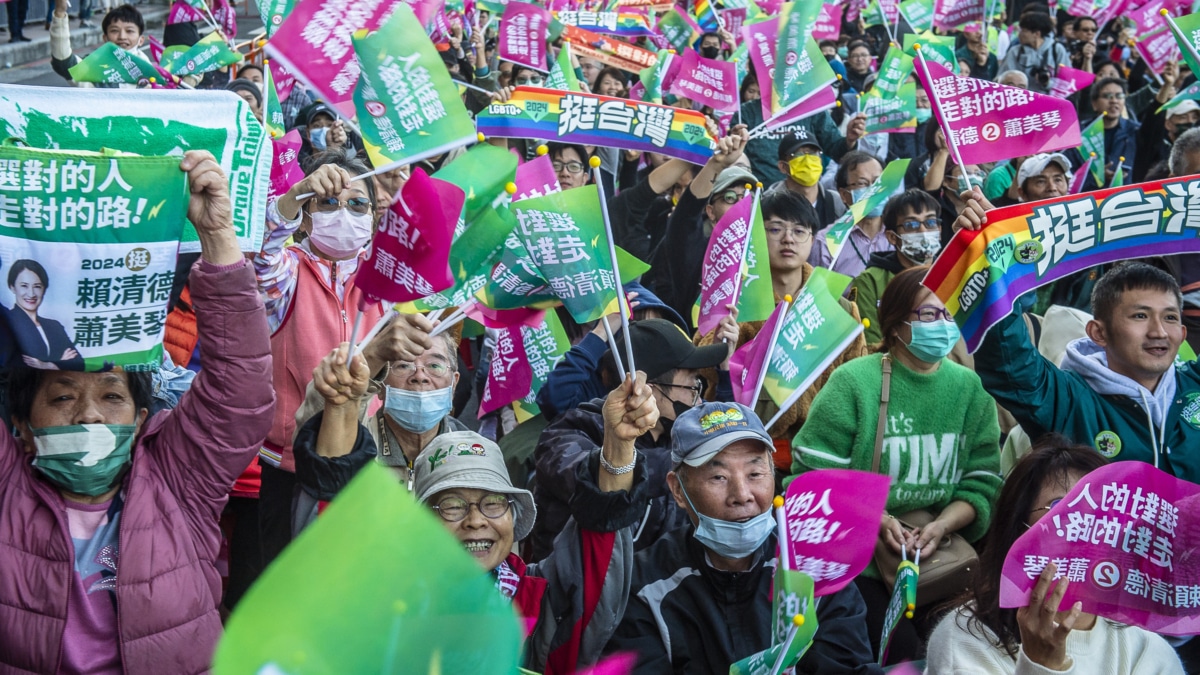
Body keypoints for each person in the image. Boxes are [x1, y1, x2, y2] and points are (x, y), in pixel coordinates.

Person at [0, 151, 276, 672]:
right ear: (22, 427)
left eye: (111, 396)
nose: (90, 416)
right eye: (61, 398)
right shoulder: (6, 486)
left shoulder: (179, 482)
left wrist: (217, 237)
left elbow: (240, 393)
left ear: (143, 419)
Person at [294, 342, 655, 674]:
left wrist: (619, 444)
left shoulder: (538, 602)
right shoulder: (377, 597)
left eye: (494, 503)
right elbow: (331, 529)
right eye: (452, 505)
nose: (476, 520)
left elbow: (599, 544)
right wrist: (342, 406)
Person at [791, 266, 1002, 664]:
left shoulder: (968, 387)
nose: (941, 325)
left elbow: (984, 478)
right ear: (897, 322)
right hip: (861, 563)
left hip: (941, 560)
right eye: (928, 315)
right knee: (898, 656)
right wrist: (877, 518)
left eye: (949, 314)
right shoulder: (854, 382)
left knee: (963, 656)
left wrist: (942, 525)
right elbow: (812, 476)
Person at [606, 402, 881, 674]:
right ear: (678, 490)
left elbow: (848, 665)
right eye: (718, 477)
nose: (742, 495)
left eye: (755, 474)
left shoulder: (815, 566)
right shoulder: (646, 587)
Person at [954, 191, 1200, 482]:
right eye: (1140, 316)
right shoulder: (1067, 400)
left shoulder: (1193, 383)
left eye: (1170, 317)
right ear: (1099, 332)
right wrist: (999, 257)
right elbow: (1009, 362)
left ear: (1183, 333)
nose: (1159, 331)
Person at [924, 437, 1185, 674]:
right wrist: (1042, 665)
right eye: (1060, 507)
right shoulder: (963, 638)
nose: (1084, 527)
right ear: (1018, 530)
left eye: (1102, 511)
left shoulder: (1142, 647)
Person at [253, 154, 387, 565]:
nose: (344, 213)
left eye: (357, 204)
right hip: (289, 465)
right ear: (305, 217)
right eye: (327, 202)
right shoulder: (288, 271)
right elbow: (259, 262)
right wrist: (294, 194)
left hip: (366, 456)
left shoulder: (385, 275)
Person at [694, 190, 869, 469]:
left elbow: (857, 381)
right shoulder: (736, 300)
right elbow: (701, 369)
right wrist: (721, 346)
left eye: (799, 231)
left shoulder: (838, 308)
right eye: (775, 229)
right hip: (744, 449)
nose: (788, 239)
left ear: (812, 239)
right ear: (757, 238)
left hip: (817, 453)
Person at [530, 318, 728, 561]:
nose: (698, 400)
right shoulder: (569, 434)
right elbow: (594, 481)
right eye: (691, 386)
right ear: (649, 389)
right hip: (578, 594)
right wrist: (692, 461)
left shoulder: (674, 436)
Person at [291, 316, 467, 526]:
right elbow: (322, 421)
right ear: (380, 382)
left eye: (435, 366)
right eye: (403, 365)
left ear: (454, 383)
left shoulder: (474, 453)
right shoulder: (352, 443)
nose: (420, 376)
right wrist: (372, 354)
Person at [648, 127, 753, 327]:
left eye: (748, 198)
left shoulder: (768, 253)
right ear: (711, 212)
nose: (741, 204)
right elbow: (685, 217)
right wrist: (716, 165)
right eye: (730, 198)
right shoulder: (697, 253)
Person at [850, 190, 943, 344]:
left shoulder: (951, 273)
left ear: (939, 230)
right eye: (911, 225)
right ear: (892, 237)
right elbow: (869, 342)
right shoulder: (870, 281)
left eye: (930, 222)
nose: (923, 231)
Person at [808, 151, 892, 280]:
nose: (873, 190)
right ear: (844, 195)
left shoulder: (899, 232)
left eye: (878, 182)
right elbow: (817, 294)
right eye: (862, 183)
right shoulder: (826, 242)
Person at [5, 259, 83, 370]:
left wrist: (48, 365)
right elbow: (13, 364)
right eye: (24, 286)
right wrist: (61, 362)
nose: (31, 294)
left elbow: (79, 362)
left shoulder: (54, 326)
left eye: (37, 286)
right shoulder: (6, 321)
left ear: (44, 289)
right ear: (12, 287)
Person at [50, 2, 145, 86]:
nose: (122, 37)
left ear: (141, 40)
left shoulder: (148, 69)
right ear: (105, 38)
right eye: (115, 31)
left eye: (129, 31)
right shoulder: (94, 64)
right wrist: (60, 14)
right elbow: (64, 62)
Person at [769, 128, 847, 230]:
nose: (807, 159)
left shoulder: (836, 202)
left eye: (813, 153)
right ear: (783, 166)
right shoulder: (768, 203)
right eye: (798, 155)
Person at [998, 11, 1069, 94]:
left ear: (1037, 34)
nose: (1019, 34)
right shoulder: (1015, 51)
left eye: (1023, 31)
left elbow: (1067, 84)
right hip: (1021, 100)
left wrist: (1047, 83)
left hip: (1049, 101)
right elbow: (1000, 79)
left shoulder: (1057, 50)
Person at [1087, 78, 1138, 182]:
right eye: (1107, 96)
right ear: (1094, 104)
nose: (1114, 101)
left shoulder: (1136, 131)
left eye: (1119, 96)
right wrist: (1097, 178)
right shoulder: (1082, 134)